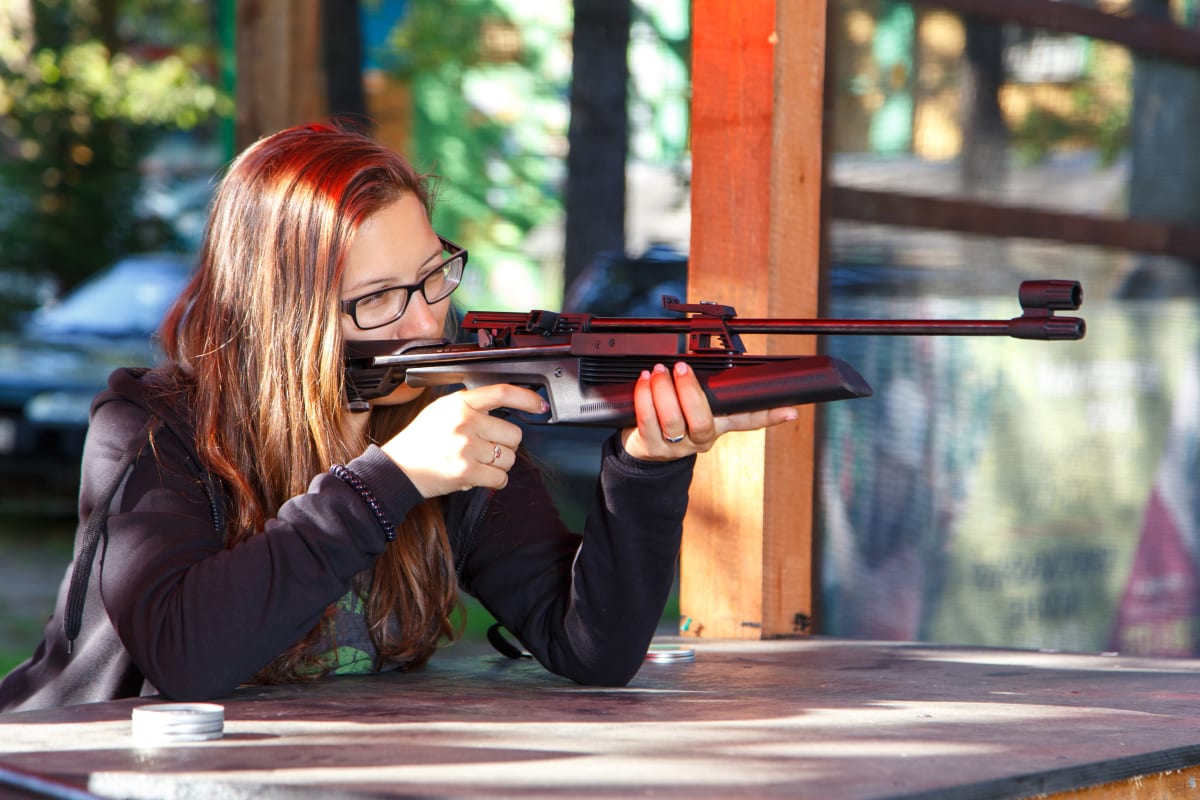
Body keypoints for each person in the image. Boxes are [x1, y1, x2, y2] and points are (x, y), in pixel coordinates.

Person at [0, 120, 799, 713]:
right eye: (378, 299)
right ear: (285, 314)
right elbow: (186, 656)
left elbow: (590, 646)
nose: (424, 324)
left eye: (431, 277)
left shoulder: (443, 415)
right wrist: (393, 479)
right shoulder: (152, 426)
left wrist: (646, 469)